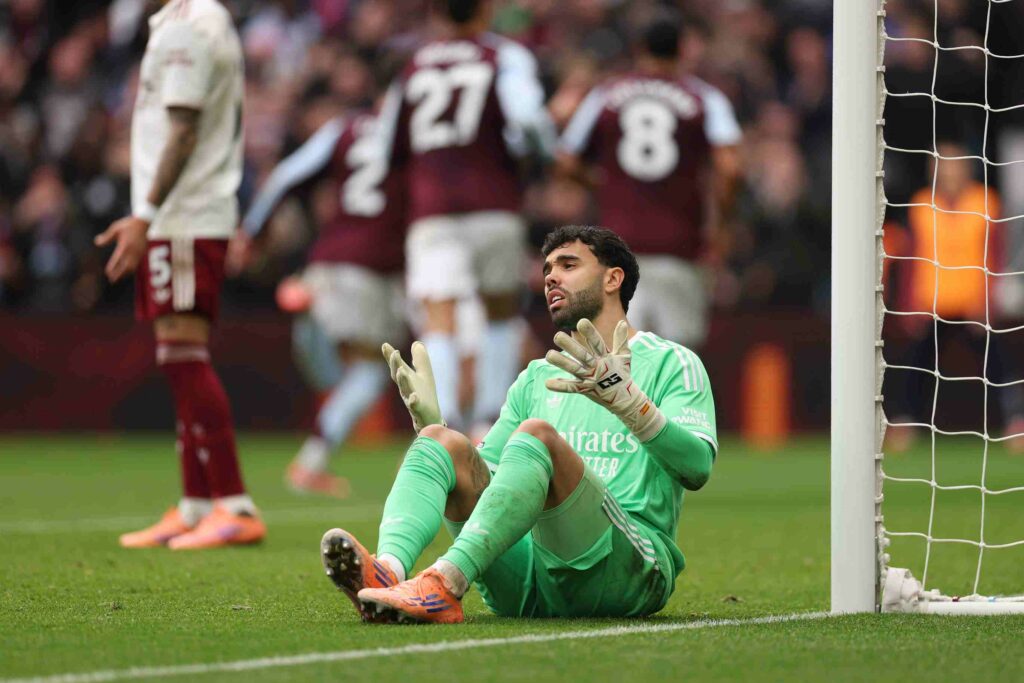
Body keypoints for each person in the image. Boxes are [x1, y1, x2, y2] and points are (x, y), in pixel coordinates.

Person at [319, 225, 717, 623]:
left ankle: (445, 581)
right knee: (443, 442)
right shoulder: (536, 376)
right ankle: (387, 571)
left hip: (629, 571)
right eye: (546, 268)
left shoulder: (671, 363)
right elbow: (486, 479)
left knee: (536, 437)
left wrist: (633, 406)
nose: (550, 277)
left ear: (613, 278)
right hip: (530, 581)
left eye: (568, 264)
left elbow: (697, 467)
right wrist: (434, 430)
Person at [94, 0, 264, 549]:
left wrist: (145, 216)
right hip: (178, 213)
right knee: (176, 357)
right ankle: (195, 505)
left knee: (186, 355)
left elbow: (184, 131)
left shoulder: (192, 25)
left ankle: (234, 503)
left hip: (186, 214)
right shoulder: (183, 21)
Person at [378, 0, 555, 434]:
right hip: (493, 200)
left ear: (440, 14)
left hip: (432, 207)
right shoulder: (503, 56)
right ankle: (488, 417)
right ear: (484, 11)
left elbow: (387, 146)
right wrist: (541, 159)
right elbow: (529, 119)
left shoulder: (415, 65)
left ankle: (445, 423)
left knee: (439, 315)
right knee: (499, 310)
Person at [232, 109, 406, 496]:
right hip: (376, 265)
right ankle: (311, 463)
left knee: (331, 377)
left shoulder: (342, 128)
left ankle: (310, 318)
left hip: (327, 257)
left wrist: (253, 231)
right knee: (369, 373)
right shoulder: (415, 127)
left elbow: (285, 175)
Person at [557, 14, 742, 348]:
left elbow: (566, 158)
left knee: (620, 358)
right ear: (682, 50)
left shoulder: (606, 95)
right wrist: (721, 221)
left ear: (639, 49)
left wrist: (601, 185)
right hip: (680, 245)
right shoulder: (705, 98)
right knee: (679, 361)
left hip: (617, 247)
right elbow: (730, 169)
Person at [887, 140, 1024, 451]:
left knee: (997, 365)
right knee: (916, 366)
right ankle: (906, 421)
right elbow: (912, 259)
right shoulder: (921, 205)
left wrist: (986, 302)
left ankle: (1016, 421)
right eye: (940, 166)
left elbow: (995, 255)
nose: (946, 172)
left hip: (970, 302)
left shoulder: (985, 202)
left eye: (952, 165)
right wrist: (909, 305)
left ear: (966, 168)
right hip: (932, 303)